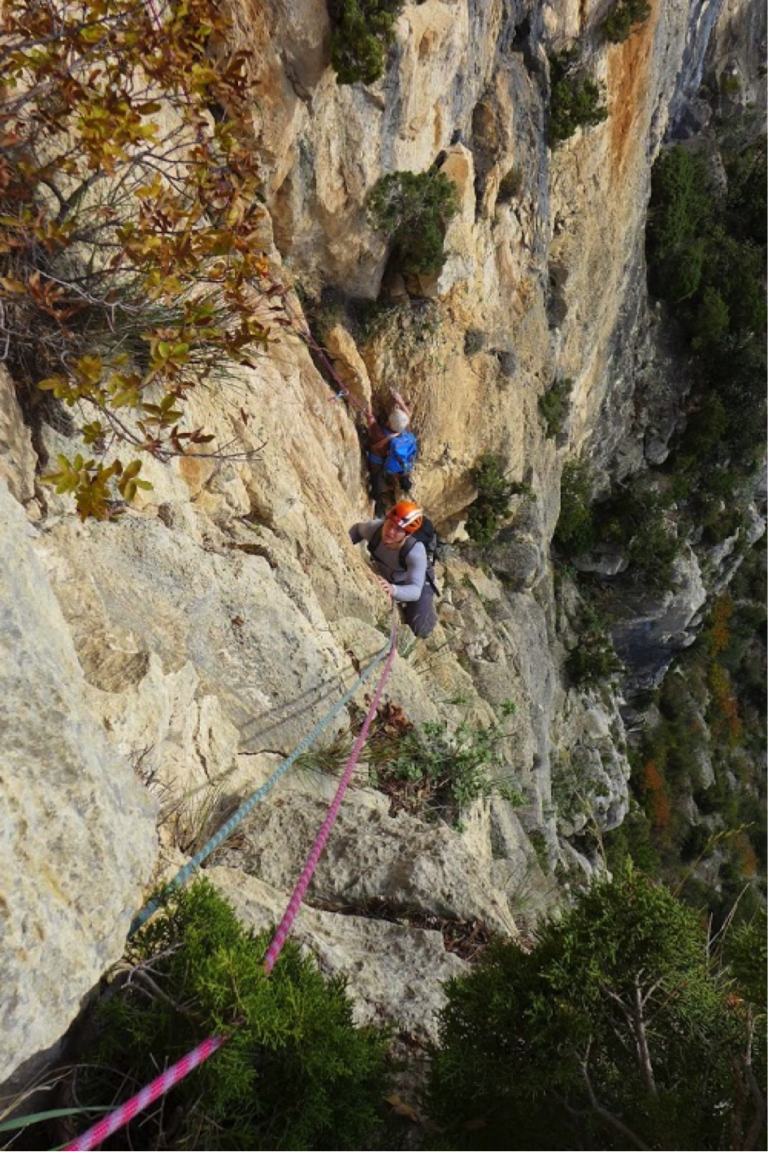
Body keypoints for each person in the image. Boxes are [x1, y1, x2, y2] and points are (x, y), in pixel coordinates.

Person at [349, 500, 437, 639]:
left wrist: (394, 590)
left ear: (407, 535)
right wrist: (346, 545)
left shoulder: (415, 552)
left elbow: (415, 590)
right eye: (390, 524)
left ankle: (429, 614)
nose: (390, 532)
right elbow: (357, 530)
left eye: (398, 530)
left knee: (420, 627)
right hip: (391, 574)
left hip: (417, 582)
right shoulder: (374, 528)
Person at [365, 391, 418, 517]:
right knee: (400, 468)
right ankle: (405, 484)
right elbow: (408, 417)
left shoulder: (380, 435)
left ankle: (377, 500)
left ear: (389, 422)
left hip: (378, 461)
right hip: (398, 460)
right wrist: (399, 401)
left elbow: (370, 418)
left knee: (376, 477)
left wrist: (367, 406)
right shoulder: (405, 431)